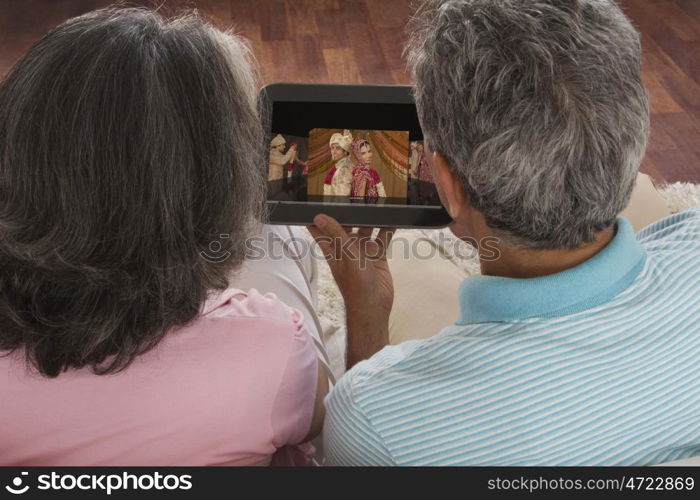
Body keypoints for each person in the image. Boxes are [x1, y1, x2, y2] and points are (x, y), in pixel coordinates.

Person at [314, 0, 700, 465]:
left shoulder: (374, 419)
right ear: (632, 133)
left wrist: (367, 316)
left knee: (414, 249)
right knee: (639, 195)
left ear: (449, 185)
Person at [0, 7, 329, 466]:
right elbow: (336, 431)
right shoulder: (271, 343)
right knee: (282, 230)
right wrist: (369, 306)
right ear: (222, 182)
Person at [323, 130, 354, 196]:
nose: (333, 151)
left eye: (338, 148)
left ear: (345, 152)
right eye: (332, 148)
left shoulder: (344, 168)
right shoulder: (340, 166)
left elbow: (343, 198)